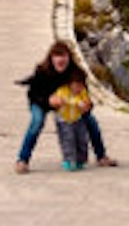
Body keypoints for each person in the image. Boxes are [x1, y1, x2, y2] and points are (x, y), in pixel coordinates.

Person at [15, 39, 117, 173]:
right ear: (51, 58)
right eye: (57, 57)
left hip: (68, 104)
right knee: (37, 121)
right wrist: (48, 101)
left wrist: (87, 106)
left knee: (90, 121)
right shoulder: (42, 71)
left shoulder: (76, 73)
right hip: (42, 102)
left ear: (69, 58)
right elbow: (33, 94)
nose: (60, 61)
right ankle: (23, 160)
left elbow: (84, 95)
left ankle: (101, 156)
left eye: (63, 57)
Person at [51, 76, 93, 170]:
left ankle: (80, 160)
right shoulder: (63, 91)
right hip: (64, 120)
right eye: (76, 86)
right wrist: (77, 102)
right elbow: (63, 100)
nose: (79, 89)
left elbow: (87, 102)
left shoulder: (82, 92)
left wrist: (86, 105)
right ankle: (68, 160)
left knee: (81, 139)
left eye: (81, 86)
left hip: (77, 119)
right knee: (68, 140)